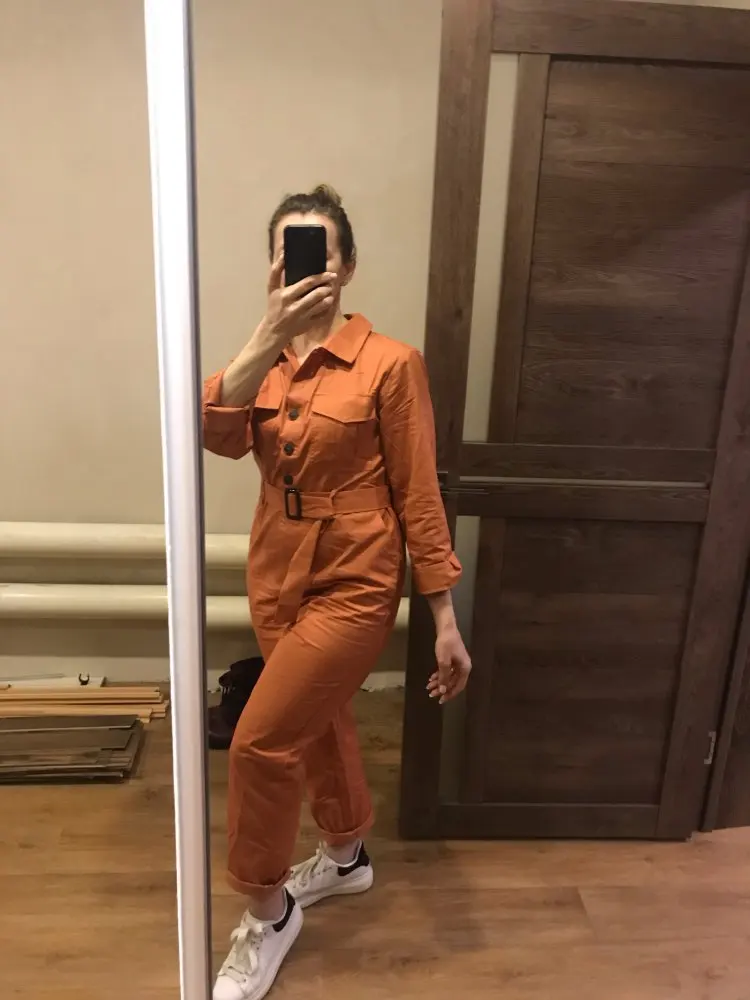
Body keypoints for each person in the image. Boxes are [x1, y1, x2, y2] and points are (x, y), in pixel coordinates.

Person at [202, 185, 472, 1000]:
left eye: (318, 252)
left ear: (347, 266)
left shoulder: (390, 363)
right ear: (272, 266)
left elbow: (418, 491)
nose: (304, 268)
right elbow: (215, 434)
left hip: (356, 574)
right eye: (287, 253)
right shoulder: (261, 362)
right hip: (274, 567)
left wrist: (443, 616)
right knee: (316, 719)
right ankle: (347, 855)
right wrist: (266, 334)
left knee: (258, 743)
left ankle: (268, 909)